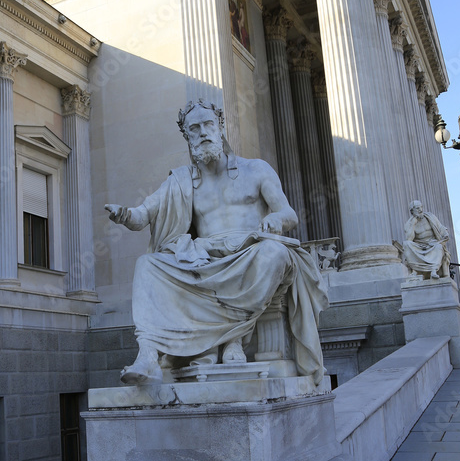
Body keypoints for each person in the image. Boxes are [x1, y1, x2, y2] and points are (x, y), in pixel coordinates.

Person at [105, 99, 328, 386]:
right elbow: (143, 214)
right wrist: (124, 214)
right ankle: (148, 354)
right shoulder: (183, 180)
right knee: (147, 265)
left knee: (275, 253)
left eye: (208, 124)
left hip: (251, 248)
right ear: (187, 137)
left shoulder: (256, 170)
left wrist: (276, 220)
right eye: (194, 129)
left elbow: (288, 213)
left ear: (220, 127)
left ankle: (233, 338)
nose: (203, 132)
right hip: (205, 255)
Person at [402, 200, 451, 279]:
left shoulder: (430, 217)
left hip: (433, 243)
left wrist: (445, 234)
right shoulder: (409, 224)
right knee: (407, 244)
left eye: (421, 207)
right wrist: (413, 224)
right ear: (412, 211)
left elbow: (440, 227)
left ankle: (434, 270)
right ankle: (417, 269)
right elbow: (409, 239)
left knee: (438, 247)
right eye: (417, 208)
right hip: (419, 246)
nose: (420, 210)